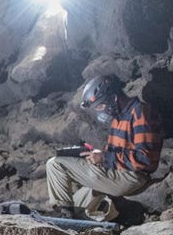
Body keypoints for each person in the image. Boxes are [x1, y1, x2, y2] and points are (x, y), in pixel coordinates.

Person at [46, 74, 163, 220]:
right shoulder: (119, 118)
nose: (100, 111)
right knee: (77, 203)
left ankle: (66, 215)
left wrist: (104, 158)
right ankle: (72, 217)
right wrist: (96, 154)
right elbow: (114, 153)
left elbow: (146, 159)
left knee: (55, 164)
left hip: (130, 177)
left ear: (113, 98)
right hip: (118, 172)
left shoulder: (140, 112)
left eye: (100, 106)